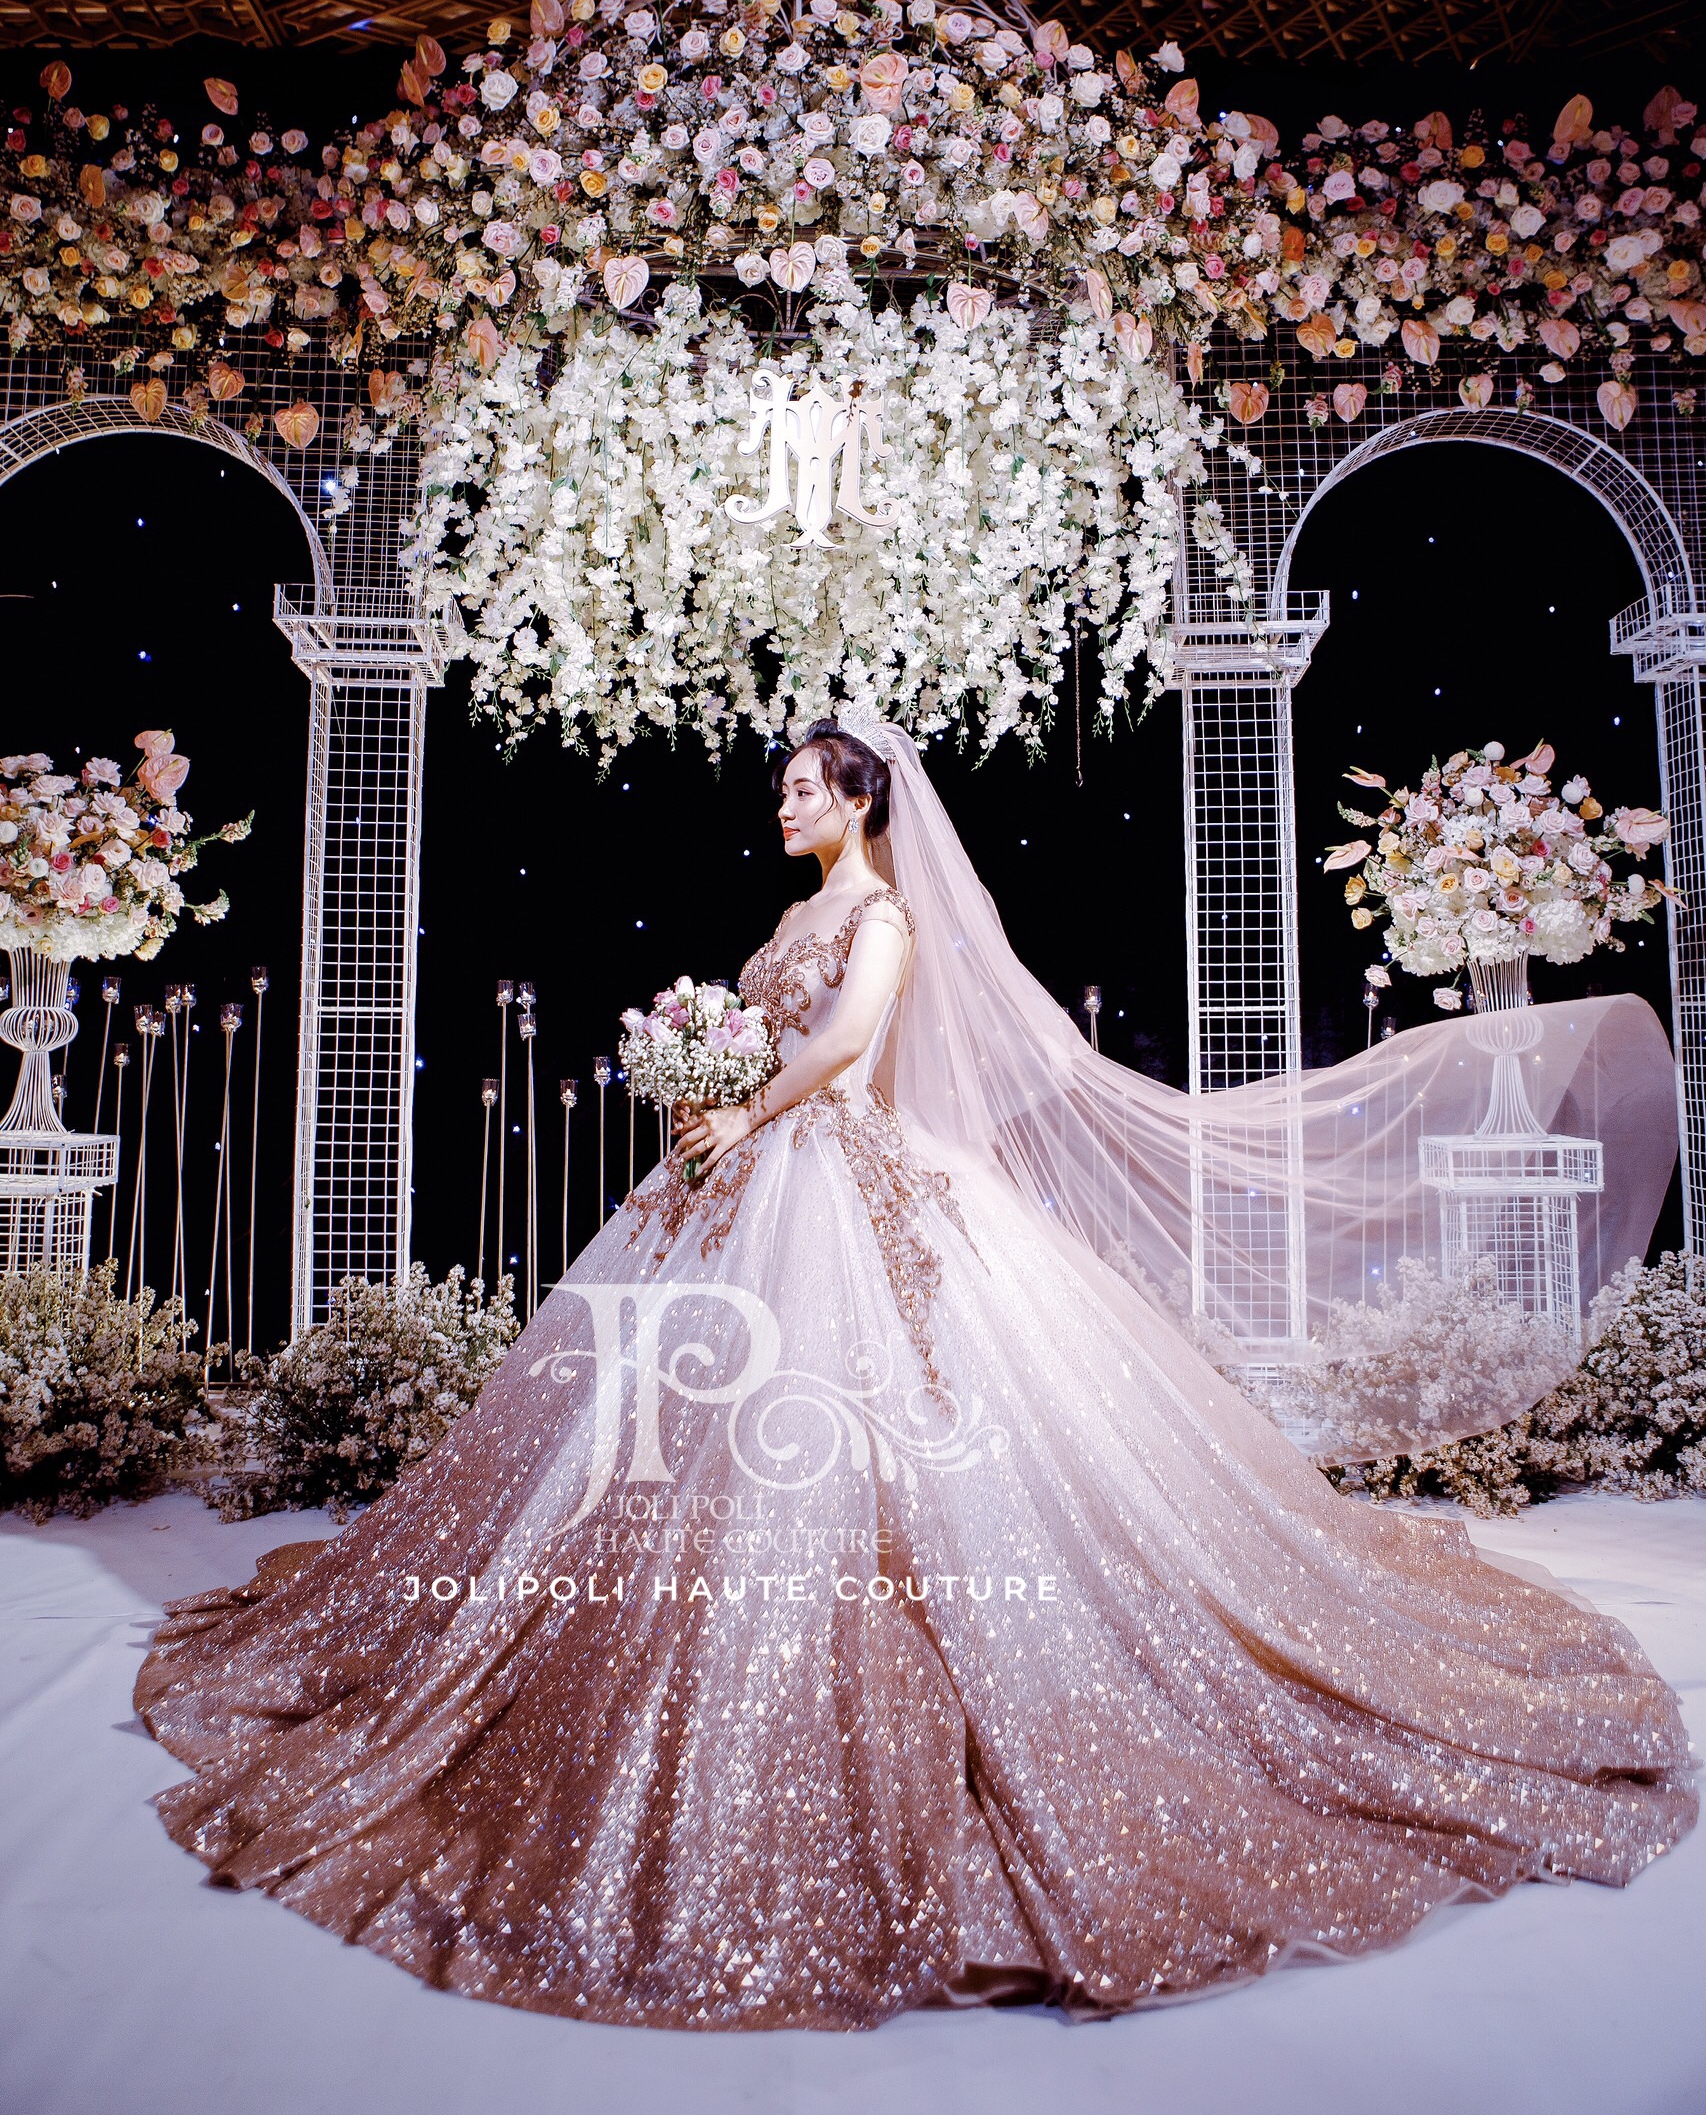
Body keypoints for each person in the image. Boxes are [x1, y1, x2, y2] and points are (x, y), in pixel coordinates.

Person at [135, 718, 1695, 2030]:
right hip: (751, 1171)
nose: (783, 804)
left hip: (830, 1171)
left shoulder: (876, 919)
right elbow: (780, 1033)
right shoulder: (799, 914)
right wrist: (706, 1088)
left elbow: (844, 1051)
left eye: (804, 786)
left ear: (862, 799)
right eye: (780, 788)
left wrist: (745, 1105)